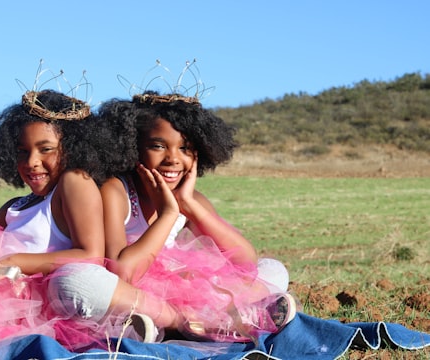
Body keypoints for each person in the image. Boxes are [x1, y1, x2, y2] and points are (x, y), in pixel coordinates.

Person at [0, 89, 181, 357]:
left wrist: (14, 261)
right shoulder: (13, 207)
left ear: (72, 148)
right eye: (22, 151)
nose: (32, 161)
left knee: (76, 283)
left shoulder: (73, 181)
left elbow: (91, 255)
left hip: (28, 296)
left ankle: (126, 327)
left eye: (46, 149)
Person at [98, 91, 298, 343]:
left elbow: (245, 260)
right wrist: (168, 214)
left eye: (185, 148)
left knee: (272, 269)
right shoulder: (116, 190)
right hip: (138, 292)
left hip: (186, 291)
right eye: (158, 146)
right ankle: (197, 322)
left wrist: (189, 205)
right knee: (90, 287)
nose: (172, 159)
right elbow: (123, 271)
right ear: (132, 147)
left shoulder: (190, 199)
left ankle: (217, 319)